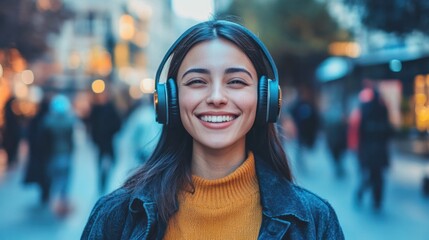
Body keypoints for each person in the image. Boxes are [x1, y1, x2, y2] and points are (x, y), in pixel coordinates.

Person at [82, 19, 344, 239]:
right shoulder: (115, 217)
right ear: (170, 100)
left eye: (236, 81)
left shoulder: (315, 222)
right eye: (197, 81)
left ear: (265, 99)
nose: (216, 97)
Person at [355, 87, 393, 211]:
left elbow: (361, 131)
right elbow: (388, 131)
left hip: (370, 149)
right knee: (377, 176)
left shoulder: (367, 109)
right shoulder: (383, 110)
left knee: (372, 176)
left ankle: (365, 195)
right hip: (378, 149)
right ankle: (376, 200)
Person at [42, 94, 76, 216]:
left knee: (54, 177)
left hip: (54, 155)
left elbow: (45, 141)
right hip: (65, 153)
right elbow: (71, 139)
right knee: (65, 178)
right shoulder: (69, 121)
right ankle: (62, 199)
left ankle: (53, 198)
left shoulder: (48, 122)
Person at [88, 91, 122, 194]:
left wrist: (110, 131)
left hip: (107, 140)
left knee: (111, 161)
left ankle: (105, 180)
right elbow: (92, 125)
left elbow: (117, 124)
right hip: (101, 141)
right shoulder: (96, 109)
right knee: (102, 161)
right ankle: (102, 181)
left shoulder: (110, 109)